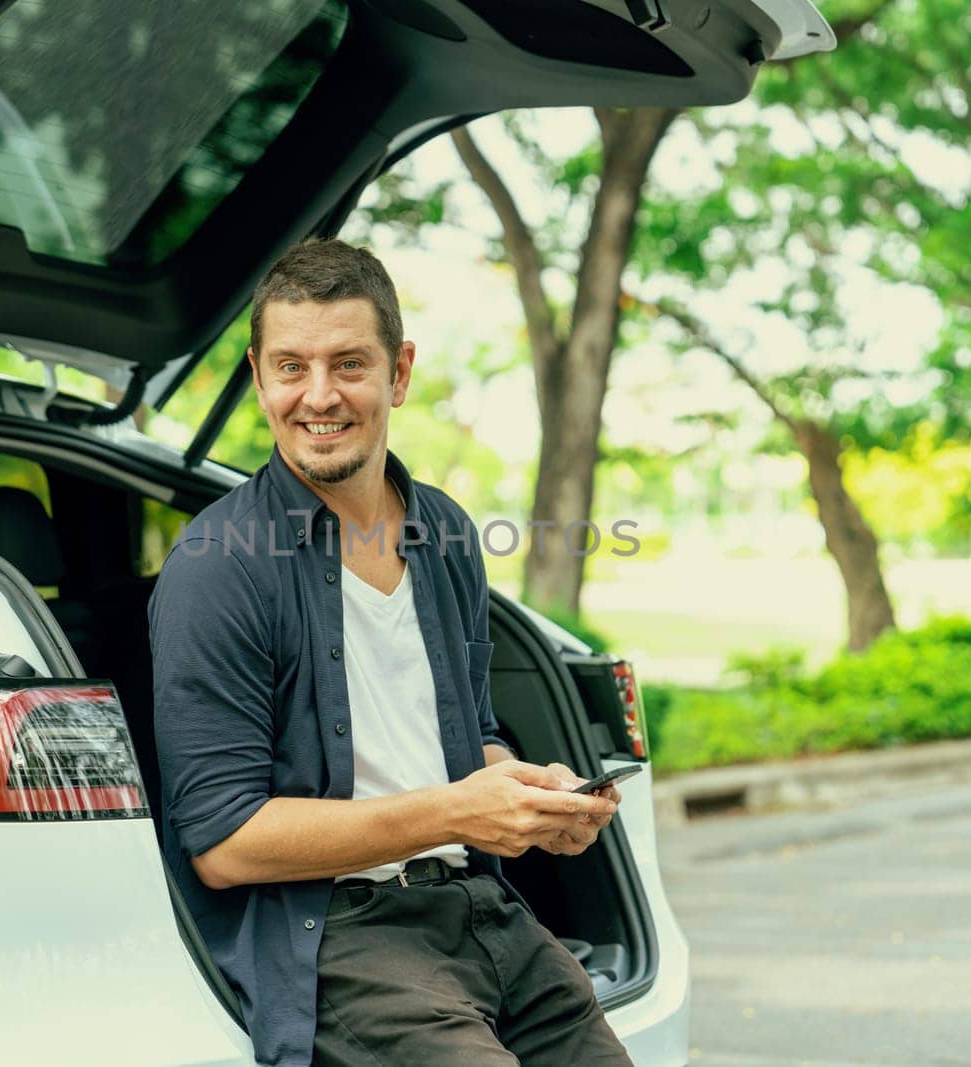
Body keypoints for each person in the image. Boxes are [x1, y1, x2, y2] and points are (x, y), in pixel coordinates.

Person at [148, 238, 633, 1066]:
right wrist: (453, 811)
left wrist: (526, 791)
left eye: (349, 363)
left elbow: (461, 737)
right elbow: (224, 844)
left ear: (399, 372)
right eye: (291, 366)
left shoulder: (443, 531)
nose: (319, 395)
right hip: (341, 936)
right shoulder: (217, 568)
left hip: (482, 911)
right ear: (259, 375)